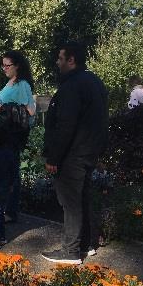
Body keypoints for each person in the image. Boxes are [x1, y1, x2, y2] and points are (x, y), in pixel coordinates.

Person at [42, 42, 109, 265]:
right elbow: (101, 120)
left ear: (72, 60)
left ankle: (70, 251)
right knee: (81, 198)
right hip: (88, 151)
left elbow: (66, 124)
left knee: (70, 202)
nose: (57, 62)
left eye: (60, 58)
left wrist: (54, 157)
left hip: (72, 154)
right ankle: (86, 244)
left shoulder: (73, 85)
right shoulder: (94, 81)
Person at [0, 50, 36, 224]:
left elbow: (31, 112)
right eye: (2, 65)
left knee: (11, 173)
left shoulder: (22, 84)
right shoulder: (9, 83)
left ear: (17, 65)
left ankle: (10, 211)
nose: (4, 68)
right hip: (2, 133)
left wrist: (4, 108)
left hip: (12, 134)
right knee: (4, 171)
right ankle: (3, 208)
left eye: (7, 65)